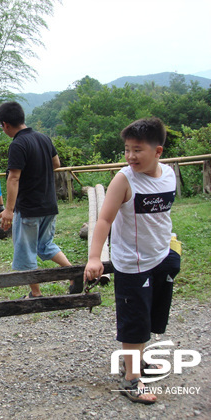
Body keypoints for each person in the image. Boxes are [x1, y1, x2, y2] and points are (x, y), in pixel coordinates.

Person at [84, 117, 180, 405]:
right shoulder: (124, 179)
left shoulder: (169, 175)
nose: (130, 156)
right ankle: (131, 379)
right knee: (135, 320)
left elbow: (163, 215)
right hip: (133, 263)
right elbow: (104, 220)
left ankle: (136, 362)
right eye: (127, 149)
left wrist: (171, 247)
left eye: (137, 150)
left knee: (150, 316)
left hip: (162, 256)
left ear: (158, 151)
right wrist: (94, 257)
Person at [0, 101, 79, 297]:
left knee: (26, 252)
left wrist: (8, 210)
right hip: (49, 205)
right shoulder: (43, 138)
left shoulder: (18, 144)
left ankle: (36, 294)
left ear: (6, 124)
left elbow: (13, 177)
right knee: (45, 245)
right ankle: (74, 273)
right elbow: (56, 163)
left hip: (29, 208)